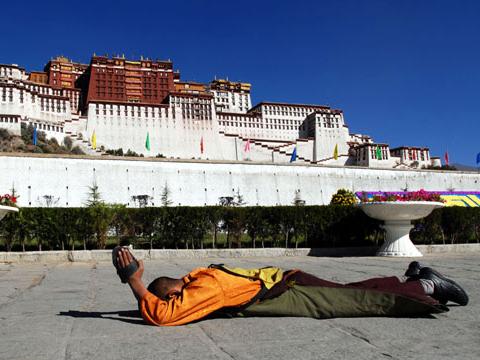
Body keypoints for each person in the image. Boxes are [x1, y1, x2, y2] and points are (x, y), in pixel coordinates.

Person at [112, 247, 469, 327]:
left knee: (359, 301)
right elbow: (169, 304)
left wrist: (135, 282)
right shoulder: (201, 275)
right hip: (289, 280)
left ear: (175, 293)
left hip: (293, 292)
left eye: (177, 299)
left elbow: (164, 316)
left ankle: (426, 285)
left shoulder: (207, 289)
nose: (183, 303)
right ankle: (413, 276)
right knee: (351, 289)